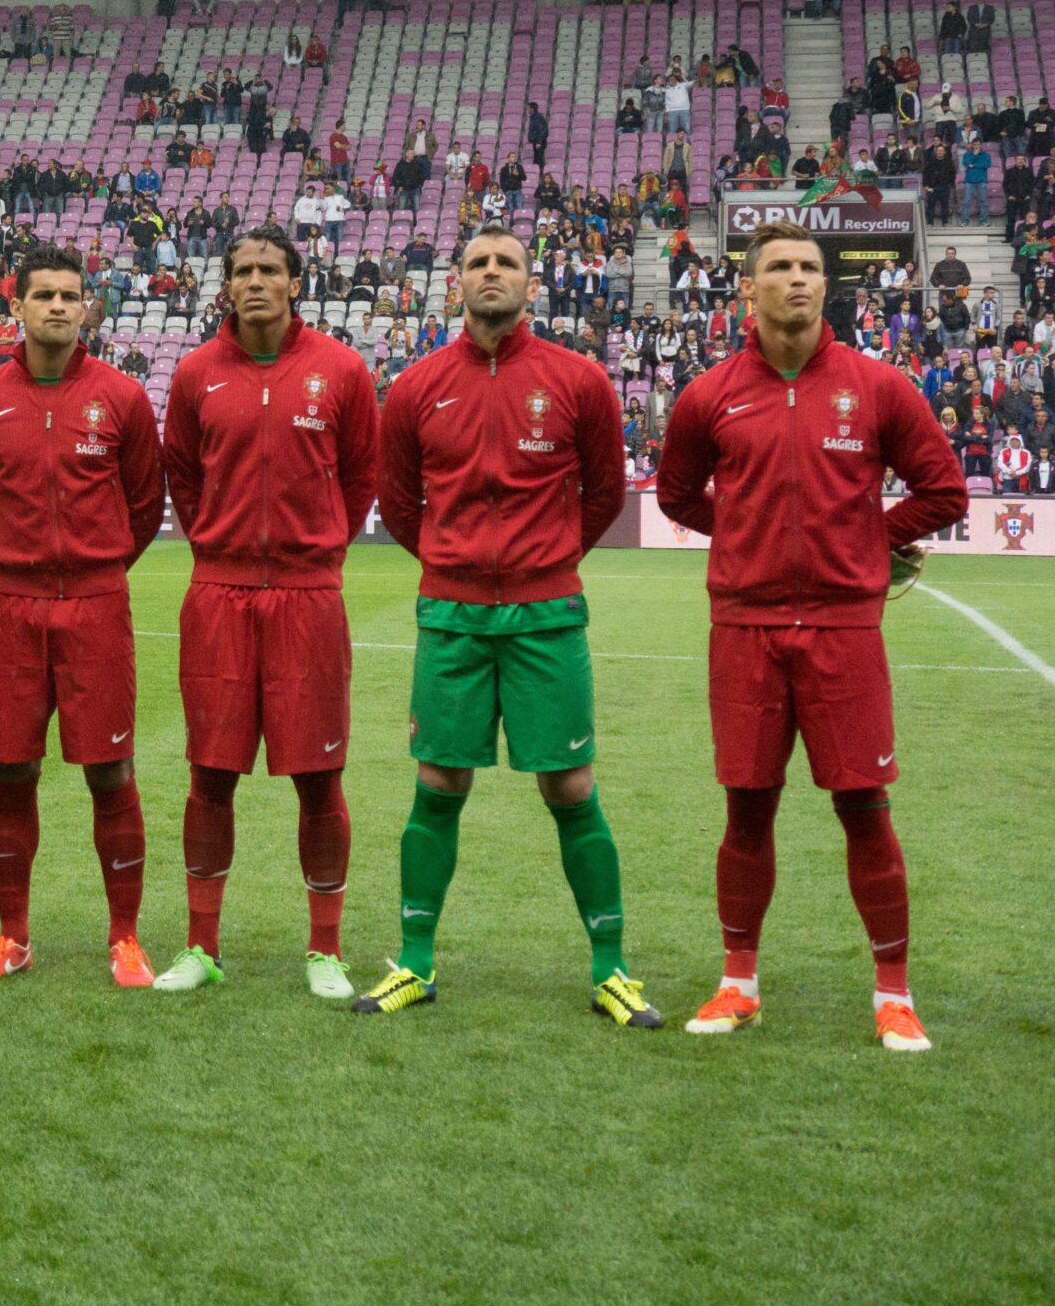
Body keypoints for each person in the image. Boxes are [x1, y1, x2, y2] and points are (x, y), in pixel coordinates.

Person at [656, 223, 967, 1053]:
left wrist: (867, 538)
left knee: (866, 808)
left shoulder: (878, 386)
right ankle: (737, 982)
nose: (798, 279)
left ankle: (894, 994)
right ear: (747, 290)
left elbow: (944, 490)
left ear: (826, 286)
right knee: (746, 810)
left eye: (810, 268)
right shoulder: (708, 394)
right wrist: (746, 534)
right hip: (745, 627)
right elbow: (678, 493)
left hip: (843, 628)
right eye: (781, 268)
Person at [361, 225, 652, 1027]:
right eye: (478, 263)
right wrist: (458, 564)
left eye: (507, 263)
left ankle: (611, 967)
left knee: (569, 783)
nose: (492, 272)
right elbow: (398, 500)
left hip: (546, 613)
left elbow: (602, 494)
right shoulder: (418, 386)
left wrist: (542, 559)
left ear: (532, 282)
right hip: (450, 614)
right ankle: (415, 962)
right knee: (438, 781)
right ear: (455, 282)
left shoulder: (578, 380)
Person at [159, 226, 377, 1000]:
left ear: (295, 282)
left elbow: (359, 480)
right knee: (209, 774)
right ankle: (201, 943)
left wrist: (309, 553)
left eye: (270, 270)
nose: (256, 281)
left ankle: (324, 949)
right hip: (217, 594)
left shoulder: (342, 370)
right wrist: (223, 547)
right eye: (242, 269)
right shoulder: (194, 374)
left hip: (307, 595)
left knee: (319, 778)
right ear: (225, 284)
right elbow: (184, 477)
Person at [0, 246, 163, 988]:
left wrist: (93, 566)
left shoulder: (124, 397)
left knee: (111, 768)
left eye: (69, 294)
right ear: (15, 306)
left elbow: (143, 505)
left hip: (96, 601)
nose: (56, 306)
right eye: (41, 294)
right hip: (10, 602)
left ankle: (126, 937)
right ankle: (13, 935)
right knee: (12, 766)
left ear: (87, 306)